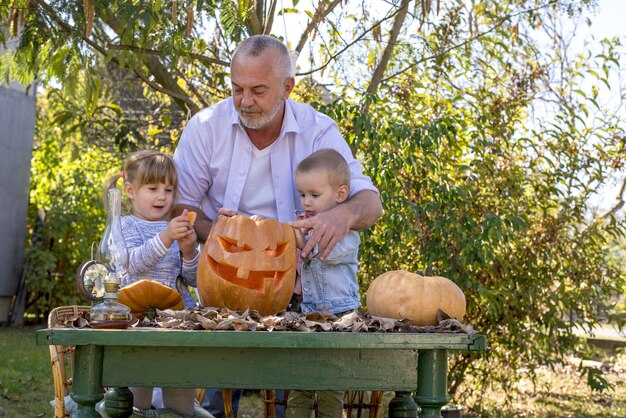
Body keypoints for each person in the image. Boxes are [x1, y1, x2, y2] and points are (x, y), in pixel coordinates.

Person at [173, 34, 382, 417]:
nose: (245, 101)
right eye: (237, 89)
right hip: (223, 285)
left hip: (299, 288)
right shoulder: (206, 127)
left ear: (288, 87)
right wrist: (227, 236)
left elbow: (370, 201)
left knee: (294, 405)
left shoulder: (318, 130)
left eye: (257, 90)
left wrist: (342, 214)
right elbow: (181, 207)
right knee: (212, 406)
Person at [104, 150, 210, 418]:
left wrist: (188, 252)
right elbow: (132, 264)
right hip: (137, 324)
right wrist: (166, 237)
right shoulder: (124, 225)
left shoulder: (175, 228)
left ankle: (180, 410)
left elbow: (193, 281)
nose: (162, 196)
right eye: (152, 188)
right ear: (130, 190)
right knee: (134, 402)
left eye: (168, 189)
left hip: (178, 324)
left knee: (180, 400)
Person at [287, 148, 362, 418]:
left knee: (330, 386)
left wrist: (299, 242)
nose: (307, 202)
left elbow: (322, 253)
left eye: (314, 195)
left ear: (340, 195)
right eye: (303, 195)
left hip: (338, 316)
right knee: (300, 385)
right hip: (306, 313)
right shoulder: (306, 225)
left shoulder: (347, 233)